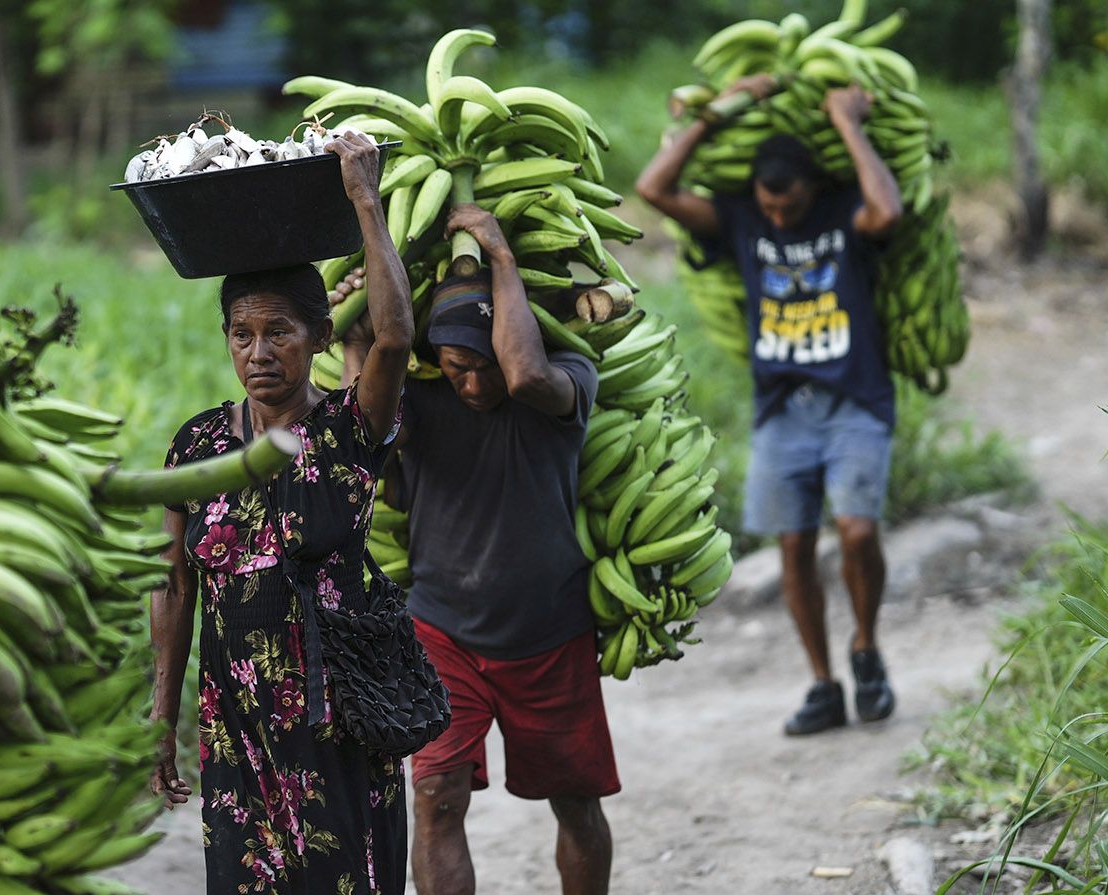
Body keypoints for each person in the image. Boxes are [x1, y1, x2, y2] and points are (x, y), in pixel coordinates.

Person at [148, 130, 417, 894]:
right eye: (243, 333)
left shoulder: (347, 428)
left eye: (279, 332)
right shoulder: (196, 445)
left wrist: (363, 196)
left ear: (320, 337)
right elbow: (173, 590)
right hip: (236, 729)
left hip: (338, 718)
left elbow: (395, 336)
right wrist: (161, 718)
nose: (259, 351)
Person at [339, 206, 617, 895]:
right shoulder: (424, 404)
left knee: (576, 802)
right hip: (442, 633)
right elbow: (357, 420)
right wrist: (352, 325)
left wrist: (501, 257)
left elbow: (523, 374)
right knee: (435, 798)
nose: (470, 383)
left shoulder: (564, 381)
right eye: (456, 368)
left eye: (480, 366)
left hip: (548, 633)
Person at [635, 77, 903, 736]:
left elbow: (888, 212)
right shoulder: (744, 219)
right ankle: (822, 683)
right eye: (769, 206)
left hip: (854, 401)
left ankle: (865, 647)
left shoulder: (845, 211)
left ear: (812, 186)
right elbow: (654, 190)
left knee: (858, 531)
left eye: (790, 205)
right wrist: (715, 116)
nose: (779, 218)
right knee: (792, 549)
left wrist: (848, 121)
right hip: (782, 410)